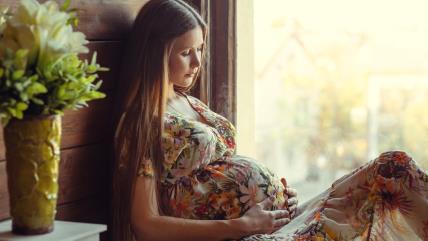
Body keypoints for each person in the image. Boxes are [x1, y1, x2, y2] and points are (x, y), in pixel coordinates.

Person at [112, 0, 428, 241]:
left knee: (394, 165)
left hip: (280, 219)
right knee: (390, 172)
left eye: (200, 50)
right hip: (252, 235)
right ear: (156, 53)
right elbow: (145, 223)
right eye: (185, 53)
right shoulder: (142, 122)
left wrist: (277, 193)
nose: (197, 63)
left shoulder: (188, 102)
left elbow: (224, 175)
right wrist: (240, 224)